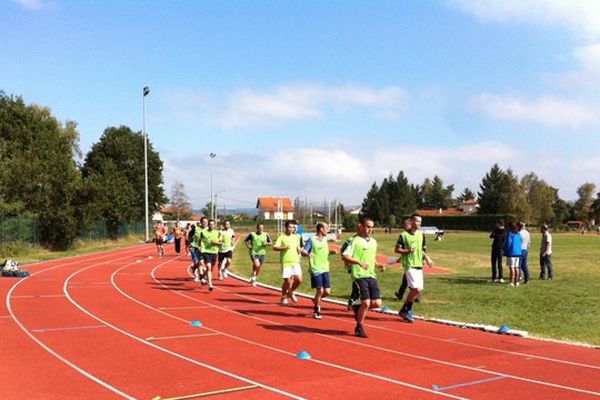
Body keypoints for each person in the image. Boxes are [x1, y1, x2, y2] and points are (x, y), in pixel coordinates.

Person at [341, 217, 384, 338]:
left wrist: (378, 264)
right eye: (368, 226)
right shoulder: (354, 241)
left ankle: (357, 308)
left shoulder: (374, 242)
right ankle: (359, 326)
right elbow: (345, 256)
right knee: (366, 302)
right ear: (361, 227)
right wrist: (358, 262)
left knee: (377, 303)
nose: (370, 229)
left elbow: (371, 257)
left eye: (371, 227)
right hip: (359, 275)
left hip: (371, 275)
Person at [396, 214, 432, 323]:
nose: (419, 223)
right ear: (411, 222)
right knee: (415, 289)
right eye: (417, 221)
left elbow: (422, 250)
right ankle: (406, 310)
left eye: (420, 221)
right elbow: (397, 250)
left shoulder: (421, 235)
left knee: (418, 289)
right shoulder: (403, 235)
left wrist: (427, 258)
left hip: (418, 264)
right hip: (409, 265)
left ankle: (405, 310)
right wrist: (408, 251)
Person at [302, 222, 335, 319]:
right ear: (321, 229)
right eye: (326, 228)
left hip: (325, 267)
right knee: (320, 290)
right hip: (315, 268)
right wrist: (307, 254)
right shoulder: (312, 240)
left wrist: (330, 252)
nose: (328, 230)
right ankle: (317, 309)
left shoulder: (325, 239)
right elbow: (304, 251)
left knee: (327, 291)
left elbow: (323, 251)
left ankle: (316, 299)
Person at [273, 220, 303, 305]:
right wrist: (284, 248)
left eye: (293, 227)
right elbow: (275, 247)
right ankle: (284, 297)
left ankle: (290, 292)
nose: (291, 229)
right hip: (285, 262)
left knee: (299, 280)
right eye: (290, 227)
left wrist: (303, 251)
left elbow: (298, 249)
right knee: (288, 282)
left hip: (295, 261)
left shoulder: (296, 237)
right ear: (286, 227)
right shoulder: (281, 237)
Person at [394, 218, 421, 303]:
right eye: (404, 225)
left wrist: (425, 258)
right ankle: (402, 295)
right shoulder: (405, 235)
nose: (404, 227)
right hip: (408, 262)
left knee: (410, 282)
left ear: (410, 224)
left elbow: (417, 250)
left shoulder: (416, 235)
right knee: (406, 281)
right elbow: (401, 250)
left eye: (406, 225)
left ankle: (414, 296)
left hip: (412, 263)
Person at [199, 219, 223, 291]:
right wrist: (200, 247)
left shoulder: (218, 233)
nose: (211, 226)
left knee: (211, 268)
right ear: (208, 225)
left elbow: (221, 242)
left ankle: (204, 276)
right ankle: (210, 284)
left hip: (214, 252)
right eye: (210, 224)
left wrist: (215, 243)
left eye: (213, 224)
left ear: (215, 225)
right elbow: (200, 240)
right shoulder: (203, 232)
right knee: (209, 267)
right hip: (205, 251)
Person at [503, 221, 522, 287]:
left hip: (511, 252)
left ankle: (511, 282)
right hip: (518, 252)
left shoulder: (509, 233)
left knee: (511, 268)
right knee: (516, 267)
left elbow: (508, 243)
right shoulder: (518, 234)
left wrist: (505, 251)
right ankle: (516, 282)